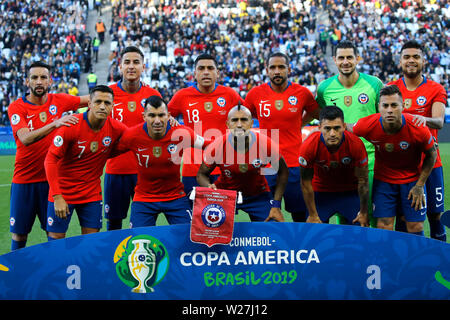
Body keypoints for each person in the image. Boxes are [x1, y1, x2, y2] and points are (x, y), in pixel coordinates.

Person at [7, 61, 89, 251]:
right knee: (19, 234)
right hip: (24, 181)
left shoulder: (59, 100)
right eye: (34, 77)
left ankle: (54, 274)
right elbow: (26, 138)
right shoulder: (17, 107)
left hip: (52, 183)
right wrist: (55, 124)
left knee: (54, 233)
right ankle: (16, 275)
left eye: (43, 77)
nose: (39, 81)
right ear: (27, 82)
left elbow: (91, 99)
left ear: (50, 81)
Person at [349, 85, 437, 236]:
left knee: (415, 227)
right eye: (385, 105)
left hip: (412, 182)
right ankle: (386, 260)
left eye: (394, 105)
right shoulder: (368, 124)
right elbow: (348, 129)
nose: (389, 110)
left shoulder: (417, 127)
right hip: (384, 182)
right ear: (379, 107)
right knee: (384, 227)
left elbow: (432, 155)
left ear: (402, 106)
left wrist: (420, 185)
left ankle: (413, 259)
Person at [44, 85, 127, 240]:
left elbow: (137, 138)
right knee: (55, 239)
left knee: (91, 241)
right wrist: (57, 196)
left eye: (107, 103)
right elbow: (50, 160)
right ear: (89, 104)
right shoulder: (71, 125)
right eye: (98, 102)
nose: (102, 106)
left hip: (91, 193)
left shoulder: (116, 128)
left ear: (113, 106)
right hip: (63, 192)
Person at [244, 51, 319, 222]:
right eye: (273, 67)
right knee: (265, 217)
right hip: (266, 164)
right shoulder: (255, 94)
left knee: (299, 215)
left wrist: (299, 122)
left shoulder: (302, 93)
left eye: (281, 67)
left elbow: (315, 113)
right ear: (267, 70)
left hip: (294, 163)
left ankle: (298, 247)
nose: (277, 71)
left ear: (289, 69)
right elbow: (243, 116)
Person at [316, 40, 383, 227]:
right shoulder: (324, 88)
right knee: (346, 217)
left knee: (372, 214)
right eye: (341, 58)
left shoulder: (374, 84)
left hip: (370, 160)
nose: (346, 61)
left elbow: (384, 117)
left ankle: (377, 254)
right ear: (334, 60)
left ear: (357, 59)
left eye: (350, 57)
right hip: (340, 162)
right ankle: (351, 256)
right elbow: (321, 115)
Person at [115, 95, 207, 227]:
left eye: (161, 115)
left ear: (168, 116)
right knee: (140, 241)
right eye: (152, 115)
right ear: (144, 116)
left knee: (187, 238)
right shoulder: (132, 135)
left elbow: (208, 144)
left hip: (175, 196)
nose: (157, 121)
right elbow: (108, 152)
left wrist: (234, 141)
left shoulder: (182, 133)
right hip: (144, 198)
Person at [388, 40, 448, 242]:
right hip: (402, 166)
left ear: (423, 60)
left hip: (431, 164)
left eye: (416, 56)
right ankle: (406, 267)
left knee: (435, 216)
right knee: (404, 220)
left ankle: (442, 266)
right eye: (406, 57)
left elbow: (439, 122)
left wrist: (422, 119)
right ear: (400, 61)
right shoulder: (390, 89)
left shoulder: (435, 88)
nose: (411, 60)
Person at [168, 53, 244, 197]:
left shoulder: (229, 94)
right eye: (201, 68)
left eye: (210, 68)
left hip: (224, 167)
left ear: (217, 73)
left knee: (225, 215)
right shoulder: (182, 96)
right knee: (195, 216)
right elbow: (164, 116)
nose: (206, 72)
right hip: (192, 168)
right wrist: (175, 125)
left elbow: (246, 116)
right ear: (194, 74)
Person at [104, 46, 162, 230]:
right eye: (127, 62)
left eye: (136, 62)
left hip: (144, 172)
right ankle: (114, 259)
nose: (131, 66)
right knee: (114, 224)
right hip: (115, 170)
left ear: (143, 67)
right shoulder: (108, 95)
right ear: (119, 66)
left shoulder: (153, 96)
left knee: (143, 224)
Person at [197, 105, 288, 222]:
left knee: (273, 230)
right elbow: (201, 174)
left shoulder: (266, 144)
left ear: (251, 123)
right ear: (228, 124)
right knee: (212, 233)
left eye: (244, 120)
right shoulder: (217, 146)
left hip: (258, 195)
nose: (239, 125)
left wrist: (276, 205)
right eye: (234, 120)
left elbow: (283, 172)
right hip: (225, 195)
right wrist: (208, 187)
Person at [299, 105, 369, 226]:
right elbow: (305, 183)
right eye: (327, 128)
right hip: (321, 192)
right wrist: (312, 214)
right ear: (319, 127)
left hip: (349, 192)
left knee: (360, 227)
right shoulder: (309, 145)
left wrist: (363, 212)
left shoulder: (356, 144)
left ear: (344, 127)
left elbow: (363, 181)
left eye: (337, 128)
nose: (332, 133)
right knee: (313, 229)